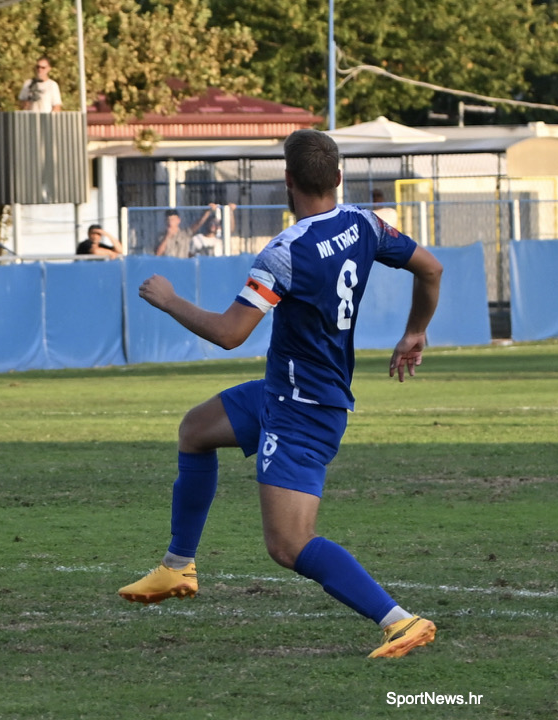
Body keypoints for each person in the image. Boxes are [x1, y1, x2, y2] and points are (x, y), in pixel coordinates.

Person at [117, 129, 444, 658]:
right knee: (195, 431)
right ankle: (177, 567)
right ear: (338, 177)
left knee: (288, 544)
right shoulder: (362, 223)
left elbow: (230, 333)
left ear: (288, 182)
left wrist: (170, 300)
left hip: (304, 408)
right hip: (284, 390)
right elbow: (431, 267)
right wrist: (415, 330)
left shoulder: (285, 252)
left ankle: (399, 620)